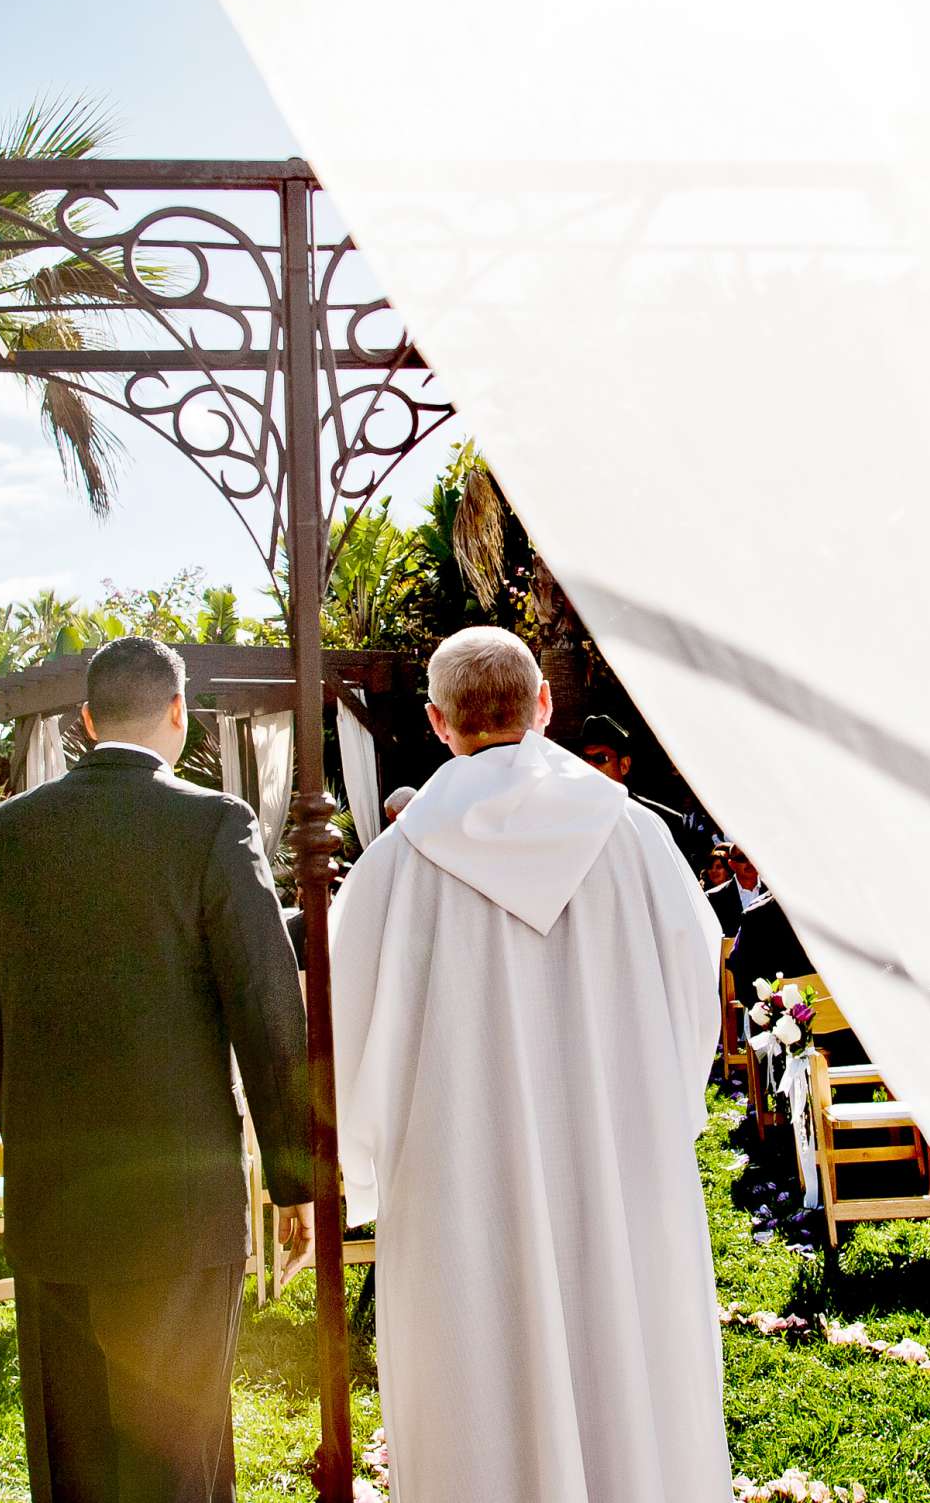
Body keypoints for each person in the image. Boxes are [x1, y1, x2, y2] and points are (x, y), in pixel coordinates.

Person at [332, 628, 731, 1503]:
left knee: (479, 1389)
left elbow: (348, 1032)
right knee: (628, 1374)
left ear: (438, 723)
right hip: (619, 1158)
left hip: (460, 1177)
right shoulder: (637, 839)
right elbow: (696, 990)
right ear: (543, 704)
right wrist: (661, 1106)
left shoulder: (393, 867)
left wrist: (362, 1166)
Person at [0, 635, 315, 1503]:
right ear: (177, 714)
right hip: (177, 1201)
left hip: (52, 1193)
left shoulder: (2, 838)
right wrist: (296, 1175)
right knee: (177, 1444)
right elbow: (268, 1007)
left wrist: (33, 1137)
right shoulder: (213, 824)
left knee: (70, 1448)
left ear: (84, 721)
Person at [579, 712, 707, 868]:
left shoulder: (665, 821)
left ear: (624, 765)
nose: (590, 767)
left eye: (601, 759)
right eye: (585, 759)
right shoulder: (572, 817)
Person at [708, 845, 763, 937]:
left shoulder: (775, 894)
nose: (749, 862)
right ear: (732, 864)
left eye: (753, 856)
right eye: (742, 858)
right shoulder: (713, 898)